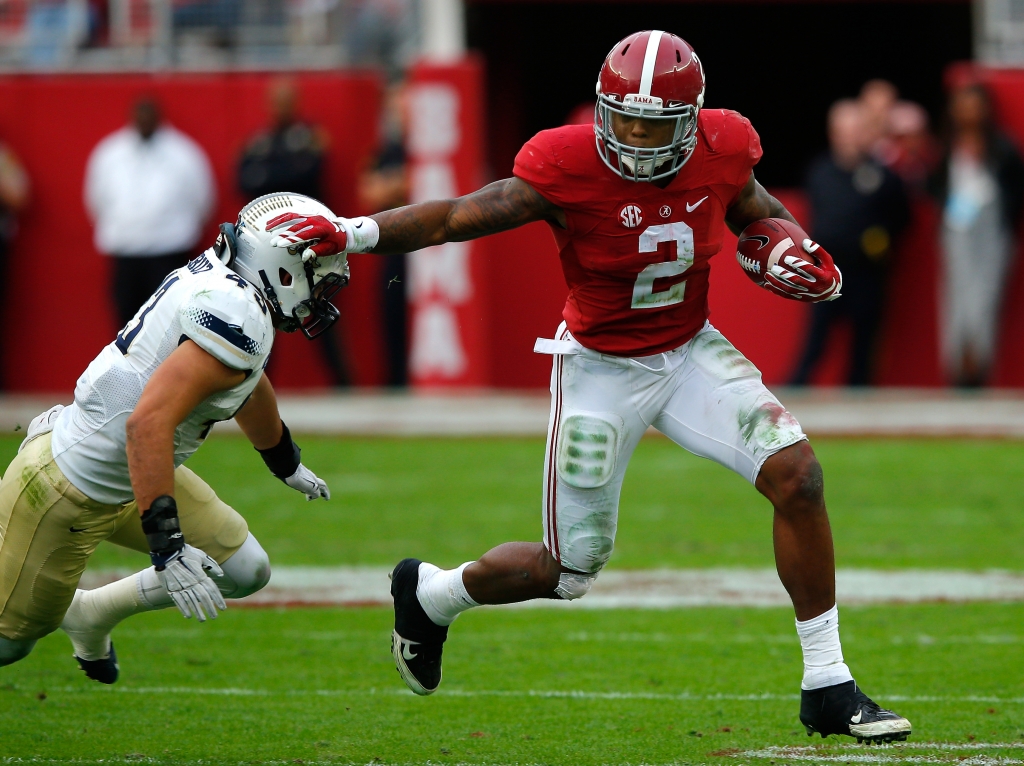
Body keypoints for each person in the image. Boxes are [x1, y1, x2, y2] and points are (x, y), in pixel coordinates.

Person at [267, 31, 912, 743]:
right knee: (567, 569)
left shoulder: (724, 146)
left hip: (688, 350)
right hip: (600, 369)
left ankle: (827, 683)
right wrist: (353, 233)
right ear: (603, 111)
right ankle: (431, 595)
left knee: (799, 476)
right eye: (624, 119)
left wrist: (790, 243)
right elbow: (455, 217)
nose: (635, 137)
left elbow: (754, 208)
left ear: (692, 120)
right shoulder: (565, 164)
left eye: (653, 124)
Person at [0, 193, 345, 684]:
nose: (320, 291)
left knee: (245, 569)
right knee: (10, 643)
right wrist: (169, 545)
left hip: (132, 470)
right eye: (317, 275)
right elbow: (147, 425)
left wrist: (284, 460)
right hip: (66, 488)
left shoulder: (231, 292)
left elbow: (245, 383)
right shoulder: (236, 312)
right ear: (282, 265)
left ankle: (91, 612)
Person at [789, 100, 910, 386]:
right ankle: (795, 392)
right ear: (833, 133)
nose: (850, 137)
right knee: (816, 339)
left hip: (867, 272)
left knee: (864, 345)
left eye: (856, 130)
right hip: (825, 270)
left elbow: (902, 217)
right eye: (844, 131)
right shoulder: (819, 171)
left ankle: (860, 399)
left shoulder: (883, 176)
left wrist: (882, 239)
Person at [237, 78, 349, 387]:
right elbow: (245, 181)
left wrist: (271, 175)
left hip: (305, 241)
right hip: (265, 244)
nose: (281, 108)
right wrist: (284, 172)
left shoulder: (308, 138)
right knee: (264, 314)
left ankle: (342, 384)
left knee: (318, 306)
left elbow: (308, 173)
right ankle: (257, 385)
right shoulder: (259, 141)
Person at [85, 97, 216, 328]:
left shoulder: (184, 153)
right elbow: (96, 199)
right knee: (126, 326)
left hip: (170, 254)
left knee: (170, 326)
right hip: (125, 255)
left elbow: (203, 199)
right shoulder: (110, 153)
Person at [932, 82, 1024, 387]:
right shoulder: (947, 147)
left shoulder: (1001, 147)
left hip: (992, 234)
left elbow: (1015, 190)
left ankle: (978, 372)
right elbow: (931, 185)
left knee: (983, 300)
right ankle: (957, 372)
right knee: (956, 301)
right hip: (956, 232)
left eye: (974, 105)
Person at [358, 83, 410, 386]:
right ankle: (396, 381)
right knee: (391, 318)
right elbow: (370, 192)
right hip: (393, 249)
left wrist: (392, 184)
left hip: (427, 250)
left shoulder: (429, 150)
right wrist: (401, 183)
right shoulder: (384, 152)